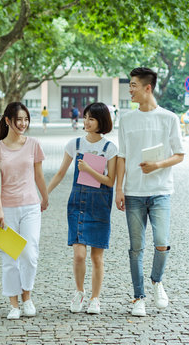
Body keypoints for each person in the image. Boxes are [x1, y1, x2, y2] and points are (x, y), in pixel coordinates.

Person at [115, 67, 185, 317]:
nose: (130, 89)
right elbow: (121, 156)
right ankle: (138, 297)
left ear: (148, 88)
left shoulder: (169, 118)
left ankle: (157, 280)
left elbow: (179, 154)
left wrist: (157, 165)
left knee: (162, 242)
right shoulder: (126, 119)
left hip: (160, 191)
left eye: (133, 85)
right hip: (133, 192)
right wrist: (119, 189)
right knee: (135, 248)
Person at [47, 102, 117, 315]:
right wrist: (43, 194)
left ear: (101, 122)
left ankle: (95, 298)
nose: (86, 122)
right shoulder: (75, 144)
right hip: (77, 203)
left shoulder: (110, 148)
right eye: (85, 117)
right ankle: (79, 292)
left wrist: (88, 169)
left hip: (99, 205)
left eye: (92, 119)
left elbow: (110, 181)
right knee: (79, 255)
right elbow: (60, 173)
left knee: (97, 257)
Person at [0, 102, 49, 320]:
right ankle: (13, 304)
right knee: (10, 257)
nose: (23, 124)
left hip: (31, 206)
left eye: (26, 119)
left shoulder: (33, 144)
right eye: (18, 120)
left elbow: (39, 175)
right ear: (7, 121)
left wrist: (45, 196)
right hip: (7, 209)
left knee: (30, 254)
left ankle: (27, 297)